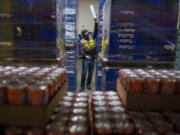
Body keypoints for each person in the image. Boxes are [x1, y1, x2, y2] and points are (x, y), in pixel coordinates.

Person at [79, 18, 98, 92]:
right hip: (86, 59)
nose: (87, 33)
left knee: (90, 73)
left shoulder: (91, 38)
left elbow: (95, 32)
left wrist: (96, 23)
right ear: (83, 35)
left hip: (93, 58)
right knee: (84, 73)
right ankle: (82, 86)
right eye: (86, 33)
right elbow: (81, 50)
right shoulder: (82, 41)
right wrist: (85, 56)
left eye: (87, 32)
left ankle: (88, 84)